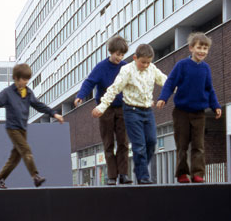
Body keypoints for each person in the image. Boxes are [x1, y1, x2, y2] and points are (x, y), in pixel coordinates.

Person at [0, 63, 64, 189]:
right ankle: (35, 177)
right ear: (15, 78)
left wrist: (54, 114)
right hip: (12, 128)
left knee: (16, 157)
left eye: (27, 80)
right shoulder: (7, 93)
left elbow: (38, 105)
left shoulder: (28, 92)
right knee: (26, 150)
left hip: (23, 128)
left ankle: (0, 179)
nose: (25, 82)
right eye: (23, 79)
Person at [92, 44, 167, 184]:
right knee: (139, 145)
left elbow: (165, 81)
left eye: (148, 62)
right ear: (135, 58)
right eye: (142, 62)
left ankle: (139, 169)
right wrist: (102, 107)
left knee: (151, 141)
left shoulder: (152, 69)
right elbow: (113, 89)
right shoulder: (126, 70)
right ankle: (143, 176)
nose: (145, 65)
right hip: (131, 111)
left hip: (147, 110)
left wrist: (178, 89)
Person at [157, 32, 221, 184]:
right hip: (181, 112)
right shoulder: (182, 65)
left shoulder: (206, 68)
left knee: (198, 145)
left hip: (199, 113)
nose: (202, 51)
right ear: (191, 48)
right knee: (182, 145)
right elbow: (170, 83)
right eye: (199, 47)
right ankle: (182, 173)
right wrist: (163, 98)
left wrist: (215, 105)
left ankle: (198, 173)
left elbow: (209, 89)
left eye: (205, 49)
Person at [75, 36, 132, 186]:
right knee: (108, 143)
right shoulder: (101, 67)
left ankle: (124, 174)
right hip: (105, 108)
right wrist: (80, 96)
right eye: (117, 54)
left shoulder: (126, 67)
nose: (119, 58)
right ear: (111, 51)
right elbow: (89, 82)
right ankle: (112, 176)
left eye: (122, 55)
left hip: (122, 107)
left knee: (123, 142)